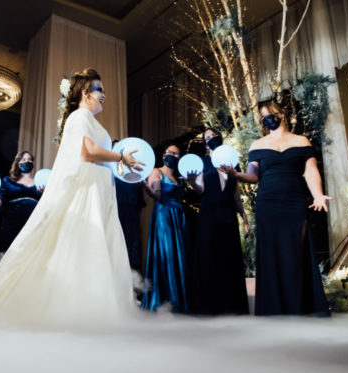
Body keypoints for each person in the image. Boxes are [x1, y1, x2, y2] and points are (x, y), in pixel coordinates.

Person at [0, 68, 144, 327]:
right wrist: (120, 157)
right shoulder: (80, 116)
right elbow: (87, 152)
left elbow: (97, 155)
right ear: (85, 92)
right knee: (84, 249)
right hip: (86, 195)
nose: (104, 95)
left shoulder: (92, 121)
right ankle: (77, 317)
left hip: (101, 192)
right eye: (100, 89)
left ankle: (98, 314)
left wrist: (121, 165)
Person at [222, 101, 332, 316]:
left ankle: (299, 307)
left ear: (282, 113)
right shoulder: (257, 145)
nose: (266, 118)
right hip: (268, 203)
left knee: (296, 253)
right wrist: (237, 175)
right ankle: (274, 309)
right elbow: (253, 176)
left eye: (269, 114)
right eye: (263, 116)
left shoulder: (301, 141)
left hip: (294, 202)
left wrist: (318, 194)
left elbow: (310, 171)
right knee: (271, 254)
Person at [187, 128, 249, 315]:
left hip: (228, 213)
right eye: (208, 138)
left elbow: (235, 192)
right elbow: (200, 188)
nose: (211, 139)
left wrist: (243, 215)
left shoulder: (231, 160)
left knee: (228, 256)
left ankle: (231, 306)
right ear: (205, 144)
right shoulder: (204, 162)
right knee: (209, 256)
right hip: (209, 213)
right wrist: (191, 182)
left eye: (214, 136)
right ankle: (209, 306)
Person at [140, 144, 192, 313]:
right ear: (164, 155)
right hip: (164, 216)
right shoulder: (157, 172)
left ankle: (179, 298)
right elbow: (157, 195)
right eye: (170, 153)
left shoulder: (178, 175)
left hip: (178, 217)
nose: (172, 156)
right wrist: (145, 186)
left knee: (180, 255)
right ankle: (167, 299)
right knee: (167, 254)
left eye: (176, 154)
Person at [0, 151, 42, 251]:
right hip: (12, 224)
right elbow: (0, 205)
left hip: (34, 224)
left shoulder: (40, 183)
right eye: (23, 160)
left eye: (29, 160)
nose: (27, 161)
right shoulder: (8, 181)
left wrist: (45, 193)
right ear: (17, 163)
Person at [112, 141, 146, 272]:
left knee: (131, 254)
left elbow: (139, 207)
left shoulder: (134, 177)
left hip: (132, 226)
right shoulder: (108, 175)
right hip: (115, 221)